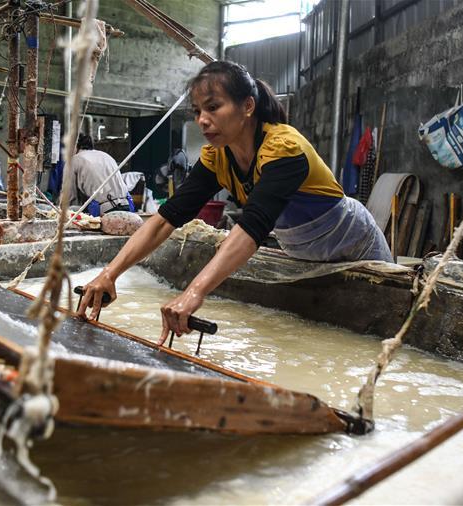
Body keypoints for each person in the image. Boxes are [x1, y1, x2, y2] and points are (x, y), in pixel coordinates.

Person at [77, 61, 390, 343]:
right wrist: (110, 273)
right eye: (198, 111)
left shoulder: (284, 147)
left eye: (213, 107)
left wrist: (194, 292)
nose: (202, 120)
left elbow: (252, 228)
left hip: (353, 241)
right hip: (303, 252)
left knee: (382, 326)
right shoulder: (218, 157)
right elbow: (165, 219)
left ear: (248, 106)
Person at [65, 133, 134, 216]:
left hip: (104, 210)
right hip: (126, 206)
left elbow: (69, 196)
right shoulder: (106, 155)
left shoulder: (74, 160)